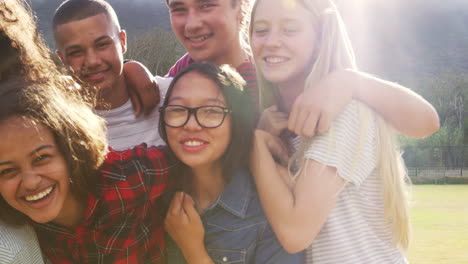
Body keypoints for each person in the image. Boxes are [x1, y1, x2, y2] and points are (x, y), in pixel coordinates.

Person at [249, 0, 422, 263]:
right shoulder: (280, 122)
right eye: (261, 30)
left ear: (321, 38)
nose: (272, 41)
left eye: (290, 29)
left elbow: (295, 233)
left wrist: (254, 147)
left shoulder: (343, 112)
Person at [163, 0, 438, 139]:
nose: (192, 24)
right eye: (179, 9)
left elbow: (425, 122)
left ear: (241, 7)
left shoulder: (277, 73)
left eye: (206, 5)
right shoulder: (179, 75)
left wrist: (348, 81)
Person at [0, 79, 170, 264]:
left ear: (70, 148)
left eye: (41, 158)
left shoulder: (131, 175)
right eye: (7, 170)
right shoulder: (17, 228)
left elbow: (191, 162)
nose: (30, 182)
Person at [160, 62, 301, 263]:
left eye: (211, 111)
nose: (191, 125)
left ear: (237, 122)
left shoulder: (267, 210)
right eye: (178, 109)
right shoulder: (154, 191)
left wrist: (194, 252)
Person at [52, 0, 171, 150]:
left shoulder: (172, 97)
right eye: (76, 52)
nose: (92, 61)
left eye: (102, 45)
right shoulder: (58, 123)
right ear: (62, 59)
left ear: (122, 41)